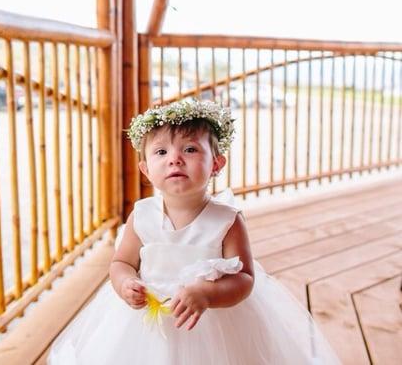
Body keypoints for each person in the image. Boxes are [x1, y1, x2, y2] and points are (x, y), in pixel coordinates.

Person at [48, 99, 340, 364]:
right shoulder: (143, 215)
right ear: (146, 169)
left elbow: (245, 278)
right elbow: (122, 262)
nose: (175, 159)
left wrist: (207, 294)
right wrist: (125, 283)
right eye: (161, 152)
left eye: (189, 149)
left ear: (216, 163)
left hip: (213, 325)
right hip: (146, 323)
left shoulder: (227, 220)